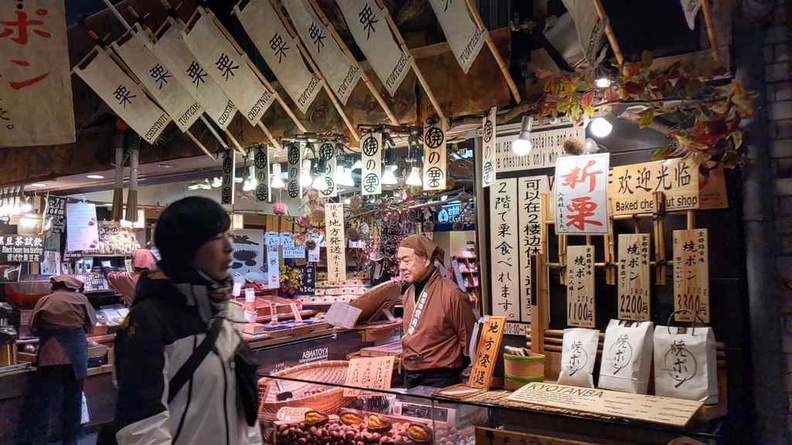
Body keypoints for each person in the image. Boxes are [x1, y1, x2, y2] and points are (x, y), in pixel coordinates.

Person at [113, 196, 261, 444]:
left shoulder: (224, 315)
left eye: (229, 235)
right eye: (216, 237)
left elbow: (245, 411)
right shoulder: (149, 320)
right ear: (185, 247)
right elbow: (141, 428)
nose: (229, 247)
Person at [16, 275, 97, 445]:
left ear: (55, 286)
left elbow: (32, 327)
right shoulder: (81, 299)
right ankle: (70, 440)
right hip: (75, 357)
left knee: (44, 403)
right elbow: (91, 325)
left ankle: (39, 440)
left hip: (49, 356)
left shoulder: (44, 300)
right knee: (73, 401)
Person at [398, 234, 477, 388]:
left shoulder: (451, 294)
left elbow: (470, 341)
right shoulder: (408, 293)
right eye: (399, 261)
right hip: (410, 376)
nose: (401, 267)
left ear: (426, 259)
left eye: (406, 261)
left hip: (440, 379)